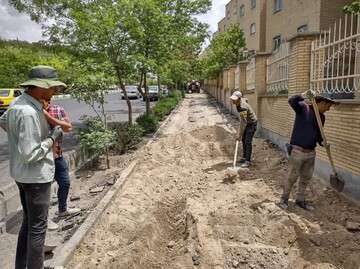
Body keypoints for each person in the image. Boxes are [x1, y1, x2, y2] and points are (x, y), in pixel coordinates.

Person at [0, 65, 65, 269]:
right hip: (36, 177)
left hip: (22, 175)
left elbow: (3, 121)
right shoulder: (28, 112)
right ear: (39, 87)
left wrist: (19, 135)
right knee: (38, 228)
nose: (54, 91)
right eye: (52, 88)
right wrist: (51, 138)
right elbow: (30, 154)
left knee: (28, 224)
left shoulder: (19, 104)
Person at [279, 90, 337, 211]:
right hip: (297, 151)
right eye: (328, 105)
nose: (328, 109)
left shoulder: (321, 117)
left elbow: (319, 135)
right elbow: (292, 101)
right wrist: (303, 95)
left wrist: (323, 143)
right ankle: (284, 199)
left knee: (305, 178)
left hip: (311, 152)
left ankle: (300, 200)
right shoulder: (303, 108)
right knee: (291, 177)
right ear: (320, 102)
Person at [42, 98, 81, 218]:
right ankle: (42, 218)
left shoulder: (57, 109)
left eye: (47, 98)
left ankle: (62, 209)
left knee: (64, 183)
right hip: (40, 159)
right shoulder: (33, 112)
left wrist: (49, 117)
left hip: (57, 156)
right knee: (42, 190)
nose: (44, 101)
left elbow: (68, 128)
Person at [230, 91, 258, 168]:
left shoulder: (242, 107)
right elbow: (245, 99)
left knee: (247, 141)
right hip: (247, 122)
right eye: (232, 99)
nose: (233, 100)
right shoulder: (239, 103)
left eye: (234, 99)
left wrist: (239, 134)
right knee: (243, 140)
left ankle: (247, 161)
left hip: (251, 123)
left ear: (239, 99)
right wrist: (240, 135)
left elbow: (243, 122)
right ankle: (244, 157)